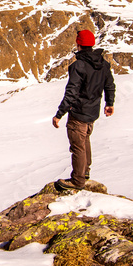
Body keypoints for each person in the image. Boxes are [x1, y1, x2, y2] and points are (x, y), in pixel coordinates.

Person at [51, 29, 115, 192]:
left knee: (77, 145)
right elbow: (109, 85)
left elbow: (71, 92)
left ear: (78, 43)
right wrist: (109, 103)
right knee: (85, 139)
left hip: (78, 112)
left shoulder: (78, 66)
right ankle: (85, 171)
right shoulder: (102, 63)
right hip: (92, 111)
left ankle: (78, 180)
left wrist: (59, 114)